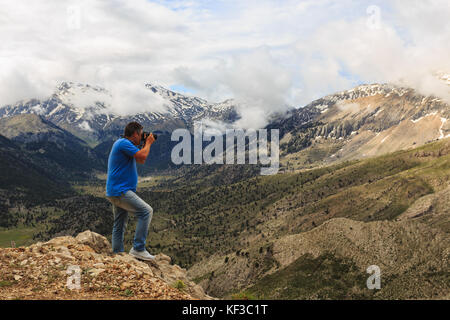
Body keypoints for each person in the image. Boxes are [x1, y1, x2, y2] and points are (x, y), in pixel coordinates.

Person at [105, 121, 156, 260]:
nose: (142, 137)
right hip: (121, 191)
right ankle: (138, 248)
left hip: (115, 190)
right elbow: (142, 158)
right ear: (134, 133)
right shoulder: (124, 143)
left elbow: (139, 158)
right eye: (140, 134)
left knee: (120, 223)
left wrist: (142, 142)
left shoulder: (123, 144)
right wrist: (149, 143)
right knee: (146, 211)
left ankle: (118, 255)